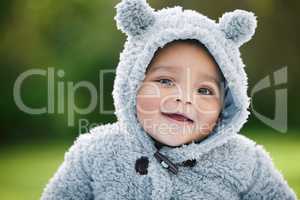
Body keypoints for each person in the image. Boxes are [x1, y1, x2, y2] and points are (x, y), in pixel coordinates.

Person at [41, 0, 297, 199]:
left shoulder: (246, 162)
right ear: (133, 85)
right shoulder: (94, 153)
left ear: (225, 106)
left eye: (205, 90)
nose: (184, 98)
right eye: (165, 81)